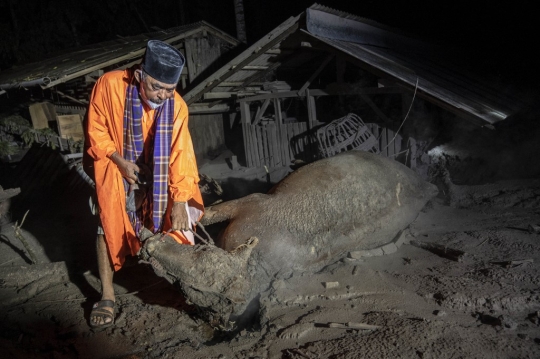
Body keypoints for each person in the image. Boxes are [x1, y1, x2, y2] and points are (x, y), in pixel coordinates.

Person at [84, 40, 204, 329]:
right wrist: (120, 161)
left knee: (182, 219)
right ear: (139, 76)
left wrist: (179, 200)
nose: (162, 95)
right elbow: (96, 129)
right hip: (117, 165)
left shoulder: (177, 106)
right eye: (156, 87)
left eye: (169, 89)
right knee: (106, 220)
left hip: (158, 173)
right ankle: (108, 294)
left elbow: (181, 155)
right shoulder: (110, 85)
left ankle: (186, 286)